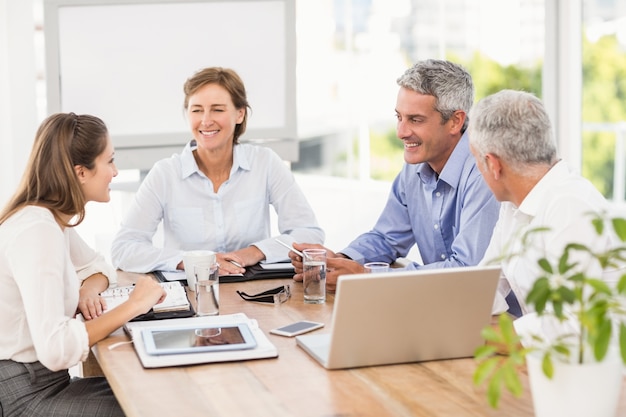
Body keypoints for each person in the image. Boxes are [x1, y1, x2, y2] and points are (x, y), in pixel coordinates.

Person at [0, 113, 166, 416]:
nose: (115, 172)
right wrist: (133, 306)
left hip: (43, 383)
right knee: (153, 405)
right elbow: (55, 348)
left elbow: (97, 266)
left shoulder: (49, 219)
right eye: (109, 161)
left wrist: (89, 290)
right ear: (80, 172)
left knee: (158, 388)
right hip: (23, 397)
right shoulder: (37, 232)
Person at [289, 59, 500, 291]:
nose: (401, 132)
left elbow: (467, 271)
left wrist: (366, 276)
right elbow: (386, 238)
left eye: (415, 120)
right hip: (439, 304)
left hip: (497, 318)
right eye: (399, 117)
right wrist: (339, 262)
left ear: (455, 121)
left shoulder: (484, 172)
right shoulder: (414, 167)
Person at [110, 67, 324, 275]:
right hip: (193, 293)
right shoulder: (165, 174)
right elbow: (124, 248)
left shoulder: (265, 163)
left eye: (217, 109)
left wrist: (255, 252)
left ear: (239, 114)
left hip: (255, 293)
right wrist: (189, 261)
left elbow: (310, 234)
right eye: (196, 110)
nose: (205, 120)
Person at [468, 89, 614, 318]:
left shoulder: (571, 206)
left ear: (494, 165)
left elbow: (566, 326)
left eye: (476, 159)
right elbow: (485, 288)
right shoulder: (513, 204)